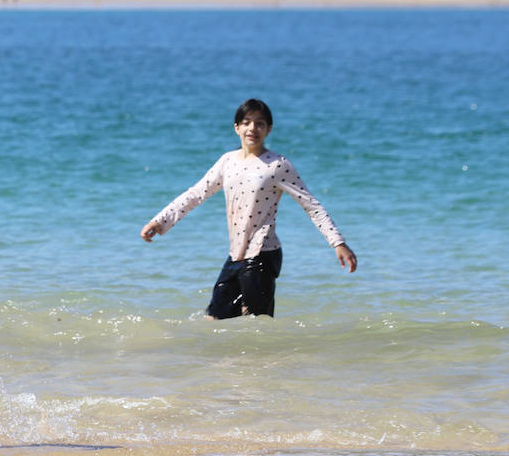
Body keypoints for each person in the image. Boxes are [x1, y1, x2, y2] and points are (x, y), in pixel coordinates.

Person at [140, 98, 357, 319]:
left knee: (257, 324)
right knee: (214, 319)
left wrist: (338, 242)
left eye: (260, 123)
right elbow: (196, 194)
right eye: (246, 122)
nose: (252, 128)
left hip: (263, 254)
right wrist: (160, 221)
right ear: (237, 128)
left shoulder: (277, 165)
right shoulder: (227, 161)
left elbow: (311, 205)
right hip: (237, 254)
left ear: (269, 129)